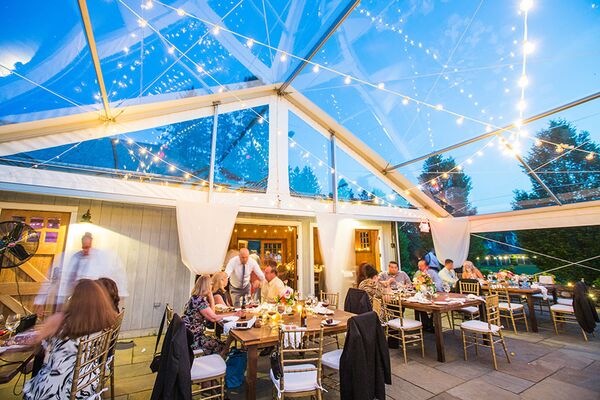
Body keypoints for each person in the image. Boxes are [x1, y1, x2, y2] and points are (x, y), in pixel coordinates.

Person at [23, 279, 117, 399]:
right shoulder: (106, 322)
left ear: (75, 299)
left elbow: (32, 342)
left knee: (39, 363)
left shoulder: (59, 321)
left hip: (54, 389)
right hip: (86, 384)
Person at [35, 232, 129, 312]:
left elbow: (115, 279)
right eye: (84, 247)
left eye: (88, 247)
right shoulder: (76, 257)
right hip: (77, 296)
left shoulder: (102, 258)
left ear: (92, 245)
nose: (85, 250)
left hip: (95, 299)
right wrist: (41, 300)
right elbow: (67, 278)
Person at [182, 275, 239, 356]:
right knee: (221, 346)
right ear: (206, 286)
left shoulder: (195, 298)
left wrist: (210, 296)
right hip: (193, 339)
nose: (212, 286)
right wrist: (235, 314)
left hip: (188, 335)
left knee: (220, 342)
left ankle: (217, 359)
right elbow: (213, 318)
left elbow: (212, 313)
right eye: (211, 284)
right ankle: (216, 363)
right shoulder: (199, 301)